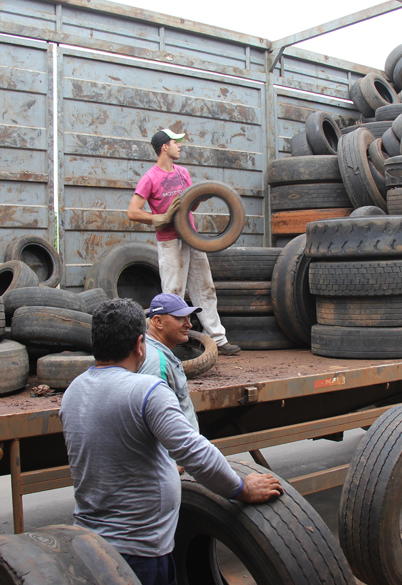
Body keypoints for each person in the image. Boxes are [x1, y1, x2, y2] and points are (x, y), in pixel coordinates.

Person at [59, 298, 282, 585]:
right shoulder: (146, 390)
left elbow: (115, 448)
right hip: (140, 552)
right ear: (140, 344)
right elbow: (194, 452)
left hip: (92, 546)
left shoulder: (73, 391)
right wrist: (241, 488)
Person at [127, 129, 240, 356]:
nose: (180, 145)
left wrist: (202, 196)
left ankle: (218, 339)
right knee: (174, 293)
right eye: (175, 142)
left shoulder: (182, 173)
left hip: (192, 238)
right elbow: (132, 212)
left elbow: (191, 205)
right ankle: (169, 345)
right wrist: (158, 218)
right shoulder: (150, 177)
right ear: (164, 147)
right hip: (170, 242)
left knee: (205, 288)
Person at [139, 292, 200, 431]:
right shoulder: (157, 362)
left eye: (188, 317)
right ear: (158, 321)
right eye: (180, 318)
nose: (189, 324)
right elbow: (158, 422)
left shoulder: (156, 352)